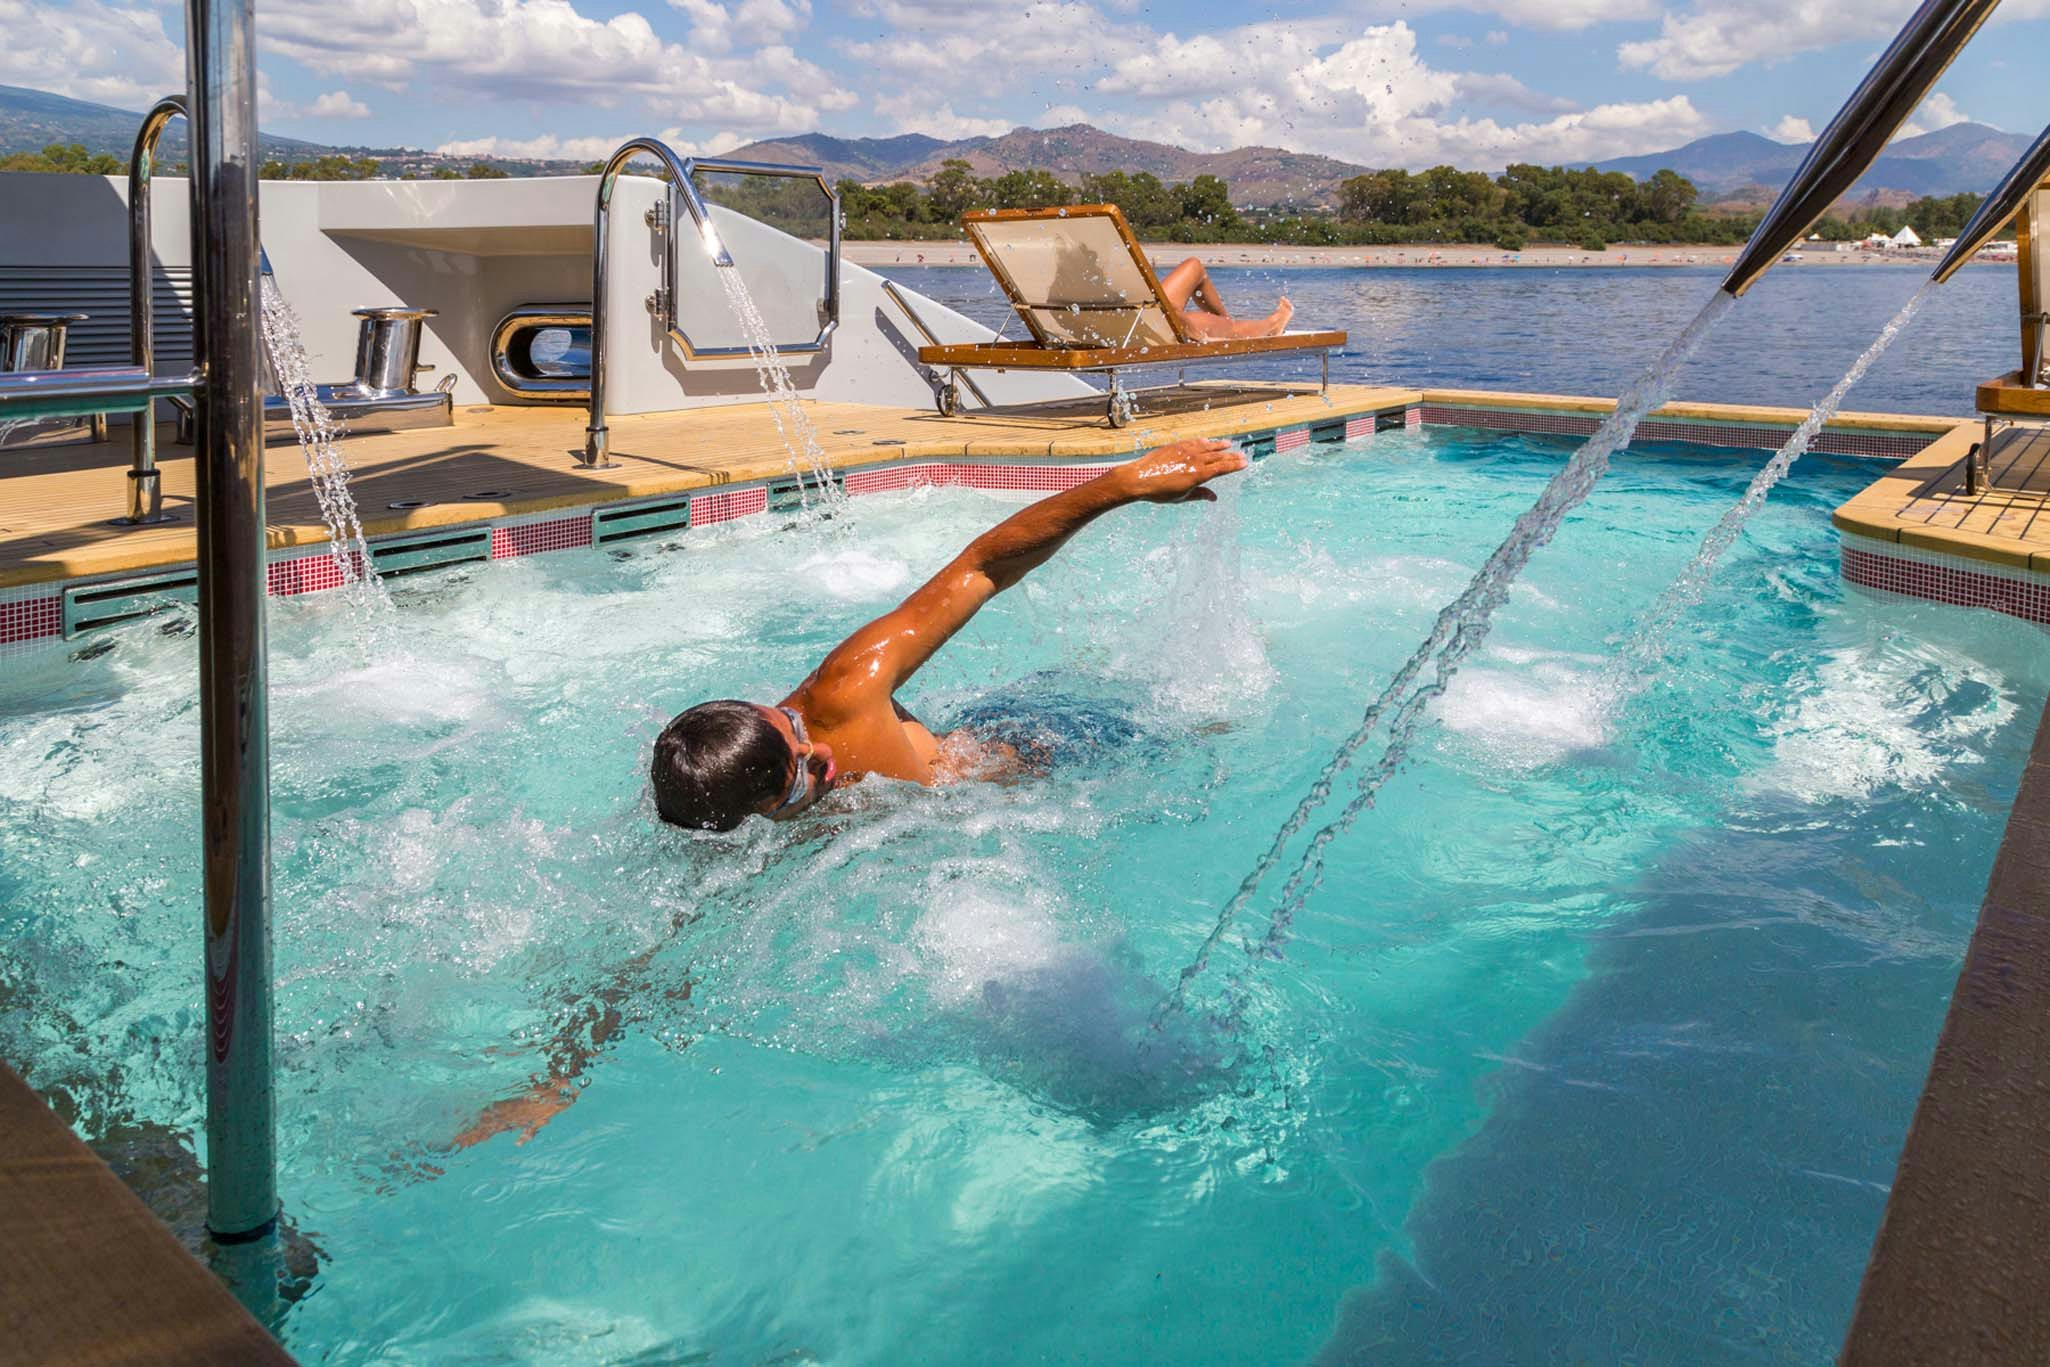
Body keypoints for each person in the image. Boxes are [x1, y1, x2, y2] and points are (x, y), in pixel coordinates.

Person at [650, 438, 1249, 832]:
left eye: (797, 731)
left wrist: (1120, 487)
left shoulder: (846, 690)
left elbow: (982, 567)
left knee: (1216, 724)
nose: (822, 754)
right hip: (970, 807)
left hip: (1056, 751)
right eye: (801, 778)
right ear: (741, 820)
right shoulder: (703, 800)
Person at [1157, 257, 1293, 339]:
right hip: (1157, 323)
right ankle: (1270, 326)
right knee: (1228, 328)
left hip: (1150, 315)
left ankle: (1225, 322)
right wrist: (1196, 335)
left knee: (1194, 266)